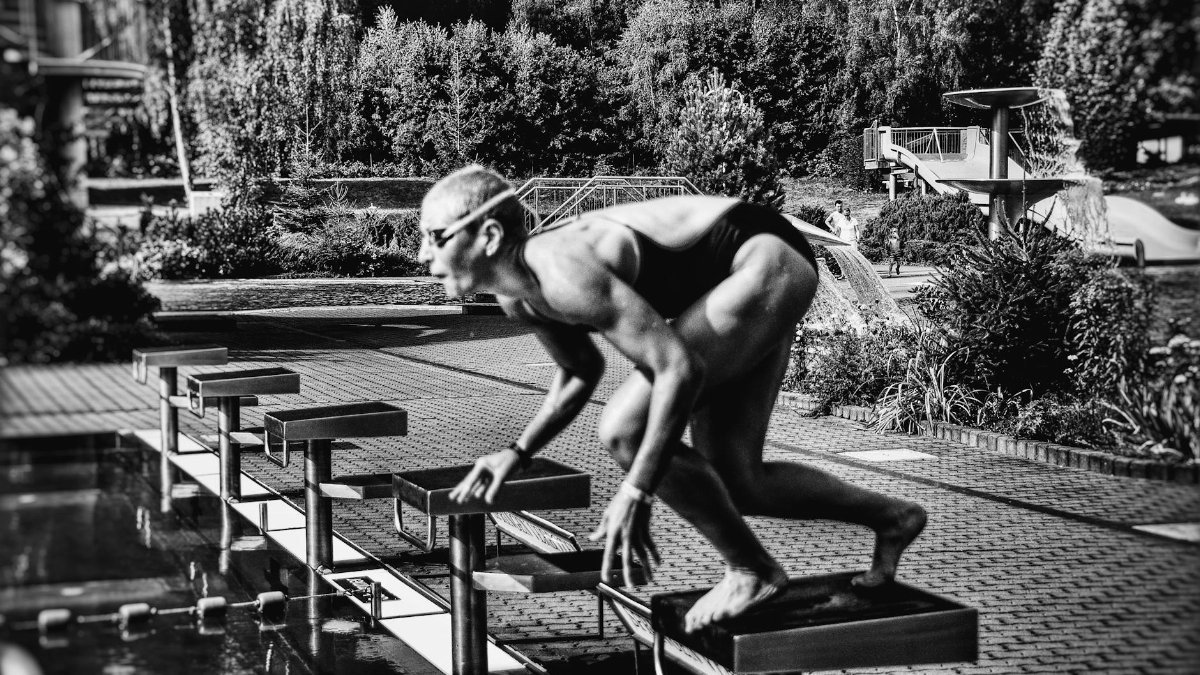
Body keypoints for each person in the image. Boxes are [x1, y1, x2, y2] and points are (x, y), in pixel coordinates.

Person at [423, 166, 926, 632]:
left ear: (488, 237)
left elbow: (678, 370)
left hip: (761, 255)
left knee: (623, 428)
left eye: (435, 238)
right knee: (738, 481)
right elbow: (581, 371)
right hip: (749, 271)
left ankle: (750, 568)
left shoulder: (562, 270)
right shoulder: (520, 297)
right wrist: (517, 452)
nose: (424, 255)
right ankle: (893, 518)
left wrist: (636, 490)